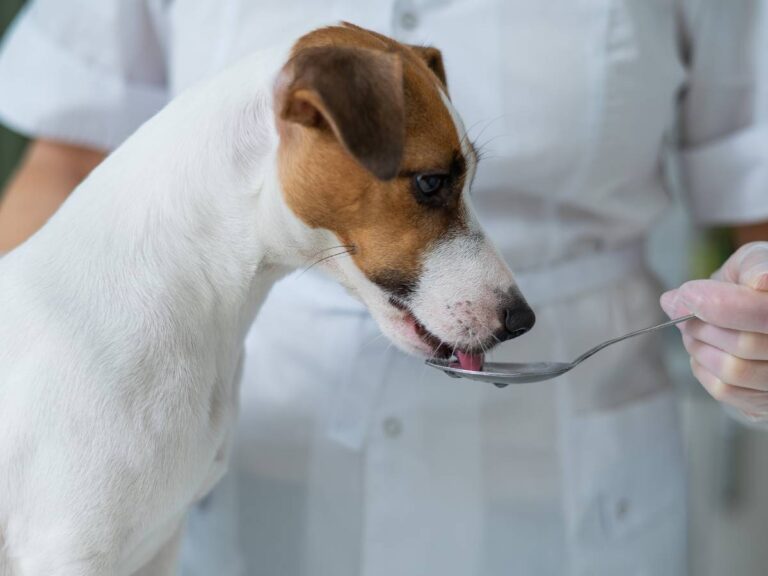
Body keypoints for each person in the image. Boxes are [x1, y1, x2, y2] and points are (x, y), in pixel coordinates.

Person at [0, 1, 766, 575]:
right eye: (431, 187)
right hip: (259, 497)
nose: (495, 282)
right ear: (308, 115)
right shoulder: (101, 377)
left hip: (571, 504)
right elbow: (66, 158)